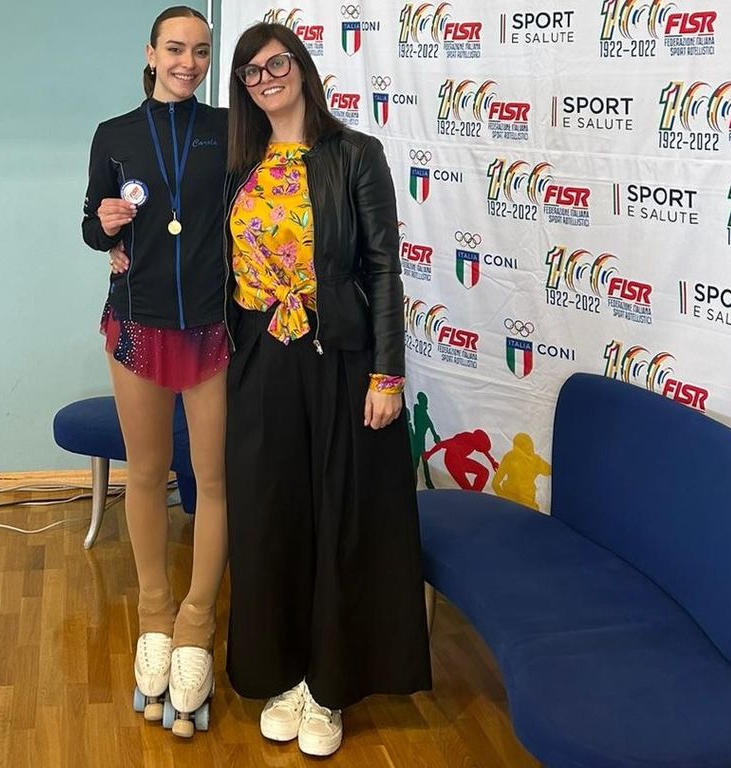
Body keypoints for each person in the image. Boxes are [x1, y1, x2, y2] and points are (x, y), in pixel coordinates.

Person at [223, 22, 432, 758]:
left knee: (339, 513)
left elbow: (383, 267)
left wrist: (388, 372)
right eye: (251, 71)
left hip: (340, 355)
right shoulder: (238, 163)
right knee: (271, 513)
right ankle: (282, 673)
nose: (266, 78)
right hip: (261, 356)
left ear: (303, 67)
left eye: (276, 63)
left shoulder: (355, 154)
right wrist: (114, 238)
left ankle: (329, 686)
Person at [81, 6, 228, 728]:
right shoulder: (114, 134)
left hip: (212, 327)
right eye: (175, 48)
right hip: (138, 323)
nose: (188, 62)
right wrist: (103, 225)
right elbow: (90, 223)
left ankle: (197, 621)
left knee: (213, 476)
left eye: (200, 51)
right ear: (150, 53)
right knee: (145, 472)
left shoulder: (229, 129)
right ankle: (155, 614)